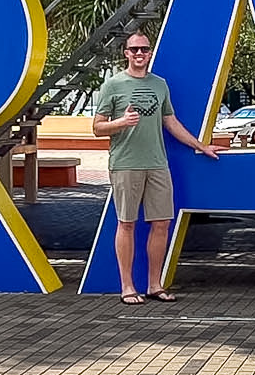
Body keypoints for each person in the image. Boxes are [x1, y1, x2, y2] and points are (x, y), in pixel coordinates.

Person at [91, 33, 220, 304]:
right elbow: (97, 127)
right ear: (126, 53)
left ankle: (154, 284)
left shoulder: (159, 84)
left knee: (161, 223)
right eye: (134, 49)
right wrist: (121, 122)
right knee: (126, 224)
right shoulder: (112, 85)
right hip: (125, 164)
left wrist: (200, 145)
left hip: (157, 164)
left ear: (150, 53)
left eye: (144, 49)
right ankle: (127, 287)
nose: (139, 53)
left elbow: (170, 121)